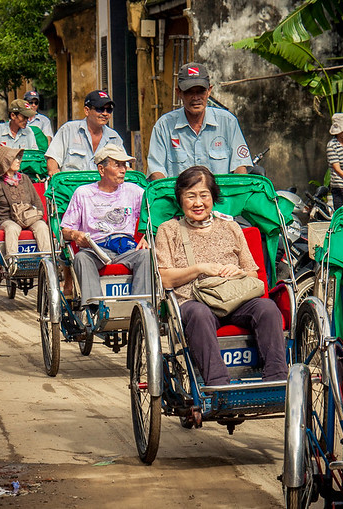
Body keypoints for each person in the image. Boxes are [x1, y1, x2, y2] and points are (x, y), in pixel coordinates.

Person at [154, 166, 288, 386]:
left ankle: (277, 381)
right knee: (199, 314)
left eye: (204, 195)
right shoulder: (169, 230)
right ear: (180, 200)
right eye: (191, 196)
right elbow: (165, 278)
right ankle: (218, 386)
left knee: (268, 309)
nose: (198, 203)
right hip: (193, 302)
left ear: (213, 197)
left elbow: (253, 273)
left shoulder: (231, 227)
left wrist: (239, 272)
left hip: (235, 299)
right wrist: (200, 268)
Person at [60, 145, 149, 313]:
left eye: (125, 165)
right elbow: (65, 229)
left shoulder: (134, 191)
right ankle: (94, 308)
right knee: (81, 258)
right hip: (96, 248)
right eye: (117, 165)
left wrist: (147, 236)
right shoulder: (83, 193)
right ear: (101, 169)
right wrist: (75, 234)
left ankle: (140, 309)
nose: (123, 170)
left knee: (146, 255)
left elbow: (151, 215)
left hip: (126, 247)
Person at [147, 63, 252, 180]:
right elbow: (156, 172)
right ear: (179, 93)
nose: (196, 97)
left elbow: (240, 168)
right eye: (189, 91)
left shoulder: (228, 122)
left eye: (201, 91)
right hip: (177, 197)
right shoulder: (164, 126)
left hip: (221, 197)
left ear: (209, 91)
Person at [0, 145, 51, 273]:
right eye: (15, 159)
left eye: (18, 159)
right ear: (6, 163)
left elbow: (36, 200)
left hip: (29, 216)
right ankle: (12, 262)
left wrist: (41, 216)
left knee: (42, 227)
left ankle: (47, 262)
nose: (18, 161)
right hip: (7, 219)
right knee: (12, 229)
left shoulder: (25, 179)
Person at [45, 90, 124, 175]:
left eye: (109, 110)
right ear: (87, 110)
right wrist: (53, 171)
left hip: (103, 187)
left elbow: (124, 166)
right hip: (72, 186)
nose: (105, 113)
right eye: (100, 109)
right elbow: (53, 158)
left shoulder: (114, 138)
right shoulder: (68, 130)